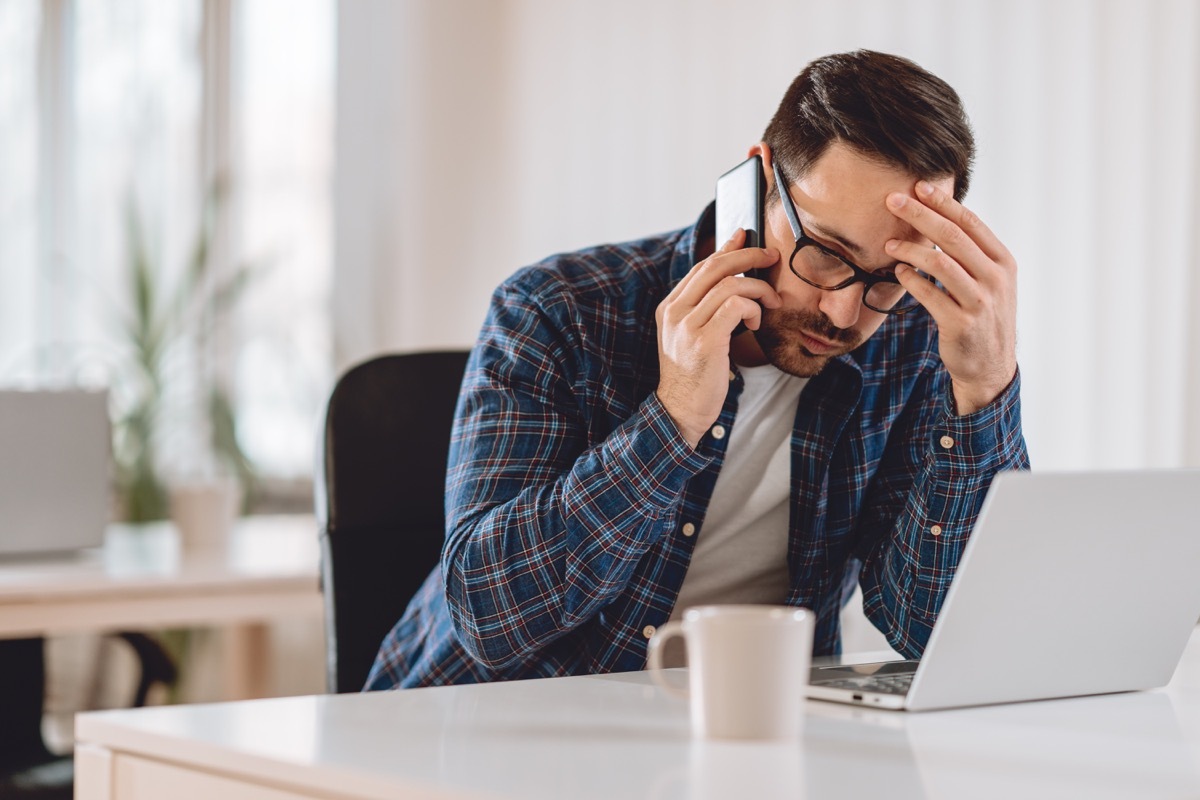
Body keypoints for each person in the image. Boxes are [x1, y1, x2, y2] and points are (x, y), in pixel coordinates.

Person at [366, 49, 1029, 690]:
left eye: (889, 276)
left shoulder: (912, 340)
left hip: (738, 735)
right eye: (826, 252)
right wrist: (674, 415)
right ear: (759, 181)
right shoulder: (558, 309)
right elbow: (489, 617)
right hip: (474, 731)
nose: (844, 309)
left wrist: (984, 391)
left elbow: (935, 629)